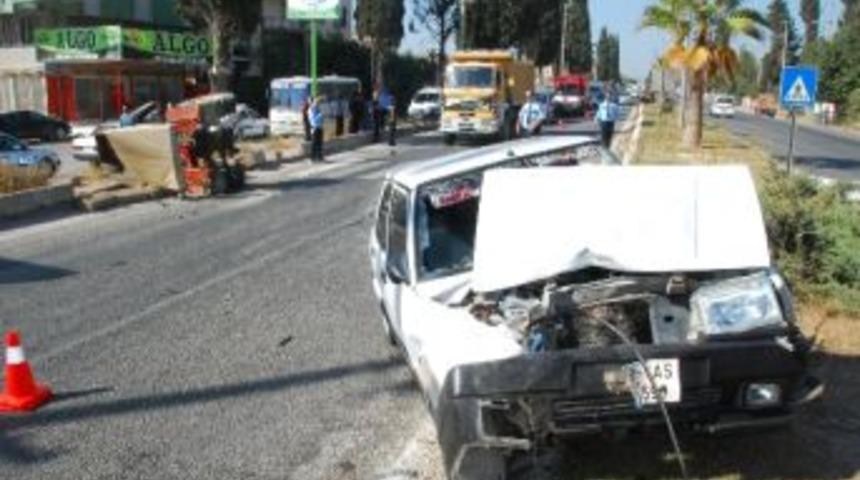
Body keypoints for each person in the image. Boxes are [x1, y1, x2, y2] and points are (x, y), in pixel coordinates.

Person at [309, 96, 325, 162]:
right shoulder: (312, 109)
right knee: (314, 144)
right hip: (315, 128)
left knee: (320, 143)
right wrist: (321, 115)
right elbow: (314, 120)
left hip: (320, 127)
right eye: (317, 103)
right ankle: (313, 158)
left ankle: (319, 157)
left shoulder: (317, 109)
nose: (318, 104)